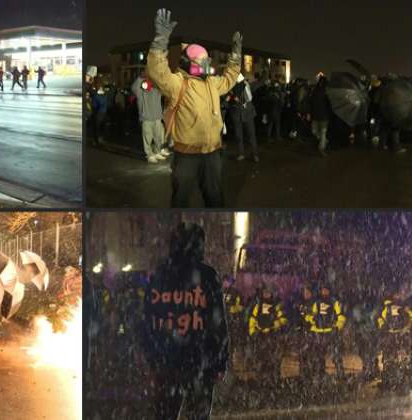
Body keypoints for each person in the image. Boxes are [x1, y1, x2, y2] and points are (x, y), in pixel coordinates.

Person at [147, 9, 241, 208]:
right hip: (186, 156)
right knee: (181, 200)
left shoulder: (212, 83)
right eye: (202, 61)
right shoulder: (178, 83)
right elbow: (157, 71)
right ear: (188, 63)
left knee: (215, 199)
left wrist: (236, 57)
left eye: (207, 60)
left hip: (213, 153)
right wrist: (160, 41)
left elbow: (230, 78)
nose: (206, 64)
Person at [143, 223, 227, 419]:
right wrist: (219, 362)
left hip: (167, 360)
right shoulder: (207, 276)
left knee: (165, 413)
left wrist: (152, 357)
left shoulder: (161, 275)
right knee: (197, 414)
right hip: (199, 361)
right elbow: (218, 324)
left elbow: (147, 319)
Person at [304, 284, 346, 383]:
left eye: (326, 290)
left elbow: (341, 316)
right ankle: (320, 373)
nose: (324, 292)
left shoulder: (334, 302)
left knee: (336, 355)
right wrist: (310, 322)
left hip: (330, 332)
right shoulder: (317, 303)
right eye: (323, 290)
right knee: (319, 355)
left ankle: (340, 374)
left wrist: (337, 327)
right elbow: (311, 315)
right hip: (318, 332)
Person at [248, 284, 287, 385]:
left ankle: (273, 379)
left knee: (273, 359)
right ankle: (261, 379)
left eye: (268, 293)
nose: (266, 295)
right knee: (261, 358)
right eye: (265, 293)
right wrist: (252, 332)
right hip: (260, 335)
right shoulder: (258, 305)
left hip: (272, 335)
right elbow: (252, 319)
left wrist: (274, 324)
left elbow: (283, 319)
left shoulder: (276, 305)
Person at [377, 289, 412, 389]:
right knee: (390, 357)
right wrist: (383, 326)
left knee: (400, 357)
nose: (397, 296)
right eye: (396, 294)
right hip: (392, 335)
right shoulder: (388, 307)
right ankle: (389, 378)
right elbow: (380, 318)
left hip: (400, 335)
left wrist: (406, 328)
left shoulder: (403, 307)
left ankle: (399, 377)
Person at [131, 71, 168, 163]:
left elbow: (165, 87)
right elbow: (133, 88)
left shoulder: (157, 88)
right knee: (147, 138)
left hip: (157, 116)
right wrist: (140, 77)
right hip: (146, 117)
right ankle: (149, 154)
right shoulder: (140, 89)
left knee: (158, 137)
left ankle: (157, 152)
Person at [227, 73, 259, 162]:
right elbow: (228, 99)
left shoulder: (244, 84)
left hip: (247, 111)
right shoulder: (230, 86)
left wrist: (239, 98)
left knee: (251, 134)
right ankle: (241, 153)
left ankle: (255, 154)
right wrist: (231, 98)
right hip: (236, 112)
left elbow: (249, 98)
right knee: (238, 135)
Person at [310, 75, 332, 156]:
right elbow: (311, 102)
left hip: (324, 116)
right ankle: (324, 141)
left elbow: (329, 104)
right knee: (314, 131)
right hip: (316, 115)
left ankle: (321, 148)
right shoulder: (315, 90)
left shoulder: (327, 92)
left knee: (322, 132)